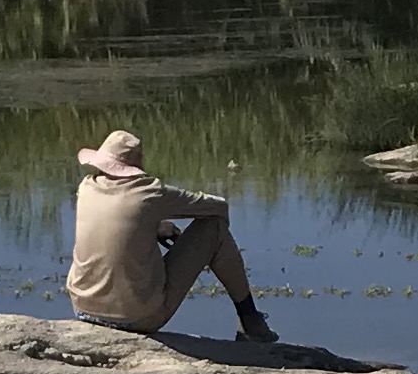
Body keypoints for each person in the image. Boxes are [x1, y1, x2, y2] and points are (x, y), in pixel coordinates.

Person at [67, 129, 273, 344]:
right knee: (215, 228)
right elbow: (218, 207)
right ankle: (251, 322)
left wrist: (152, 226)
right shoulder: (150, 192)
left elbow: (117, 218)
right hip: (137, 318)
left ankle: (251, 324)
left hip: (82, 308)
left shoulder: (87, 187)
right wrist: (209, 251)